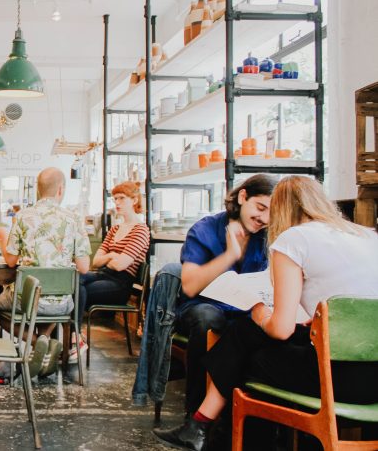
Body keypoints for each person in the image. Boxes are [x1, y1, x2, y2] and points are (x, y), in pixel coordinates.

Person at [154, 176, 378, 451]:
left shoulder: (293, 239)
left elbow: (281, 328)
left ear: (281, 208)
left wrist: (259, 311)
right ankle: (204, 426)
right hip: (373, 379)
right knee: (246, 334)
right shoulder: (367, 234)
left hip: (335, 379)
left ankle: (214, 430)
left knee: (251, 348)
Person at [132, 174, 276, 431]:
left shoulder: (268, 236)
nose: (264, 218)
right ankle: (195, 420)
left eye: (270, 213)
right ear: (243, 197)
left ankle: (255, 422)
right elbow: (190, 285)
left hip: (248, 312)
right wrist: (231, 254)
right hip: (202, 307)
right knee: (208, 318)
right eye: (260, 207)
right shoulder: (205, 229)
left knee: (269, 328)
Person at [0, 168, 91, 364]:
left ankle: (37, 342)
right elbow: (84, 267)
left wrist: (3, 239)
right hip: (62, 303)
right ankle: (45, 342)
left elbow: (11, 261)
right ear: (61, 189)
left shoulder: (22, 216)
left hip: (27, 300)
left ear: (38, 190)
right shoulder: (74, 218)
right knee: (54, 302)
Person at [76, 181, 150, 356]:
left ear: (134, 200)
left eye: (121, 198)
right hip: (103, 275)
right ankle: (73, 336)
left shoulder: (141, 230)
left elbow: (121, 265)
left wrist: (110, 258)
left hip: (121, 284)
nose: (117, 203)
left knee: (79, 290)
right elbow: (96, 261)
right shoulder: (115, 229)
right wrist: (111, 256)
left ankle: (73, 337)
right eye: (115, 198)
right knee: (74, 280)